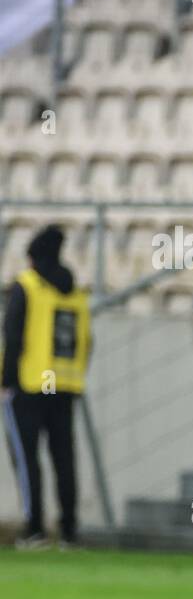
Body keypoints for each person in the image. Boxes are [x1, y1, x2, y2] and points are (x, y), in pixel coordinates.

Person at [2, 226, 91, 550]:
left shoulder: (28, 287)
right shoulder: (75, 291)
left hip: (30, 383)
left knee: (27, 459)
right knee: (64, 458)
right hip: (64, 384)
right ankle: (69, 530)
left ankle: (35, 529)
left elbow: (13, 336)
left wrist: (6, 381)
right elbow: (86, 340)